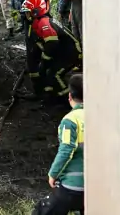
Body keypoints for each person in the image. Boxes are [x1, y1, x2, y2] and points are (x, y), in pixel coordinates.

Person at [32, 74, 84, 215]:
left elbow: (67, 149)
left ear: (69, 96)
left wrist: (53, 174)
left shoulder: (71, 120)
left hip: (72, 186)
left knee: (42, 211)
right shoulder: (99, 116)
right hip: (96, 186)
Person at [21, 0, 82, 99]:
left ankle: (68, 97)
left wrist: (45, 60)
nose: (25, 15)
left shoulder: (43, 23)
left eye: (28, 12)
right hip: (63, 52)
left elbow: (52, 43)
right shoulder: (40, 21)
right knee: (48, 73)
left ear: (35, 12)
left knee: (54, 74)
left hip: (71, 53)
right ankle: (50, 92)